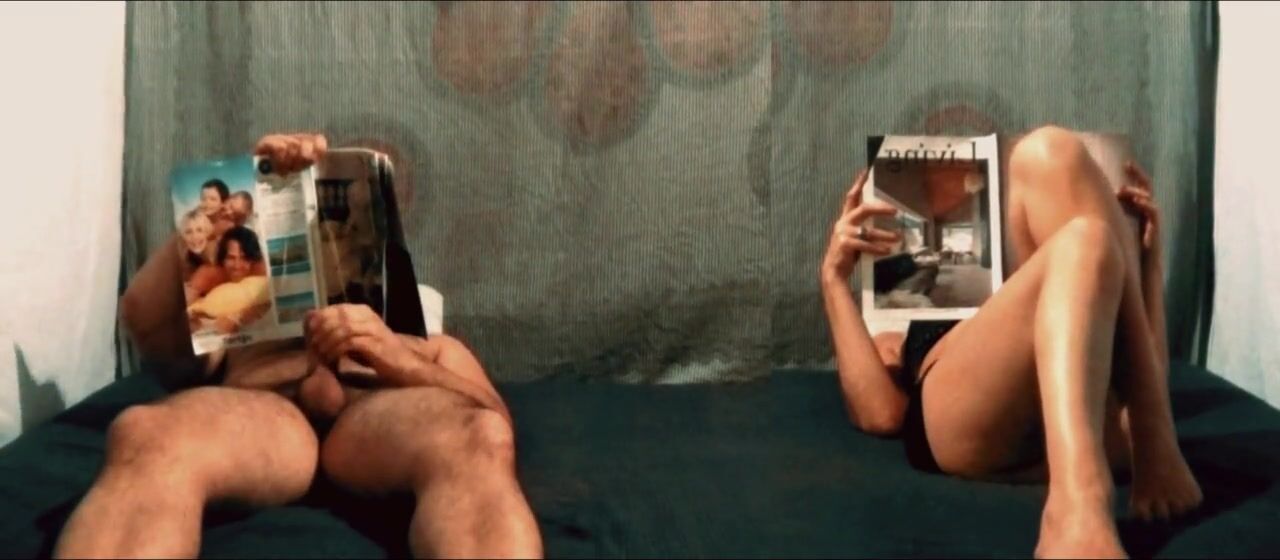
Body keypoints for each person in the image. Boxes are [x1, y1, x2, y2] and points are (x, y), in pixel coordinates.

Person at [53, 133, 543, 559]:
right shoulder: (243, 327)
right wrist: (243, 187)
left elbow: (494, 420)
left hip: (378, 427)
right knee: (148, 435)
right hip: (269, 423)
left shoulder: (427, 343)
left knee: (479, 437)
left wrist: (399, 359)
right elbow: (141, 315)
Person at [820, 125, 1201, 559]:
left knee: (1050, 153)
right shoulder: (901, 329)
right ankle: (1079, 501)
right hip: (975, 424)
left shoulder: (1053, 274)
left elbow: (1147, 371)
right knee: (1087, 238)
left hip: (1102, 417)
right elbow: (882, 415)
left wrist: (1149, 262)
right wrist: (833, 278)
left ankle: (1142, 444)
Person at [187, 225, 272, 335]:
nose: (237, 266)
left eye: (244, 258)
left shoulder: (260, 270)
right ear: (223, 259)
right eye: (231, 258)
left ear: (253, 259)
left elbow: (272, 301)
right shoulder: (208, 275)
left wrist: (237, 317)